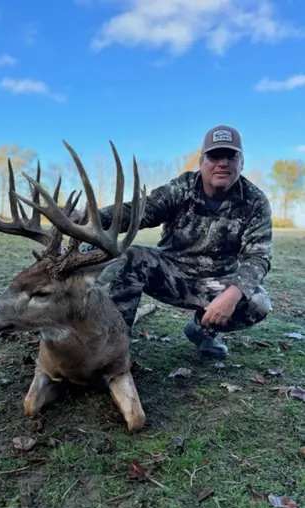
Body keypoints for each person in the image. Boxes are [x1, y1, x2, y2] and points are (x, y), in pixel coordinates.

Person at [90, 125, 273, 359]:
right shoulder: (182, 188)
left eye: (231, 156)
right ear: (201, 161)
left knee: (258, 302)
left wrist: (232, 294)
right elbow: (140, 211)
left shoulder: (255, 201)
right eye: (215, 155)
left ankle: (201, 330)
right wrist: (90, 217)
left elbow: (258, 257)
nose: (223, 163)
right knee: (130, 257)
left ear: (242, 162)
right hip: (169, 273)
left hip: (216, 285)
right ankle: (115, 343)